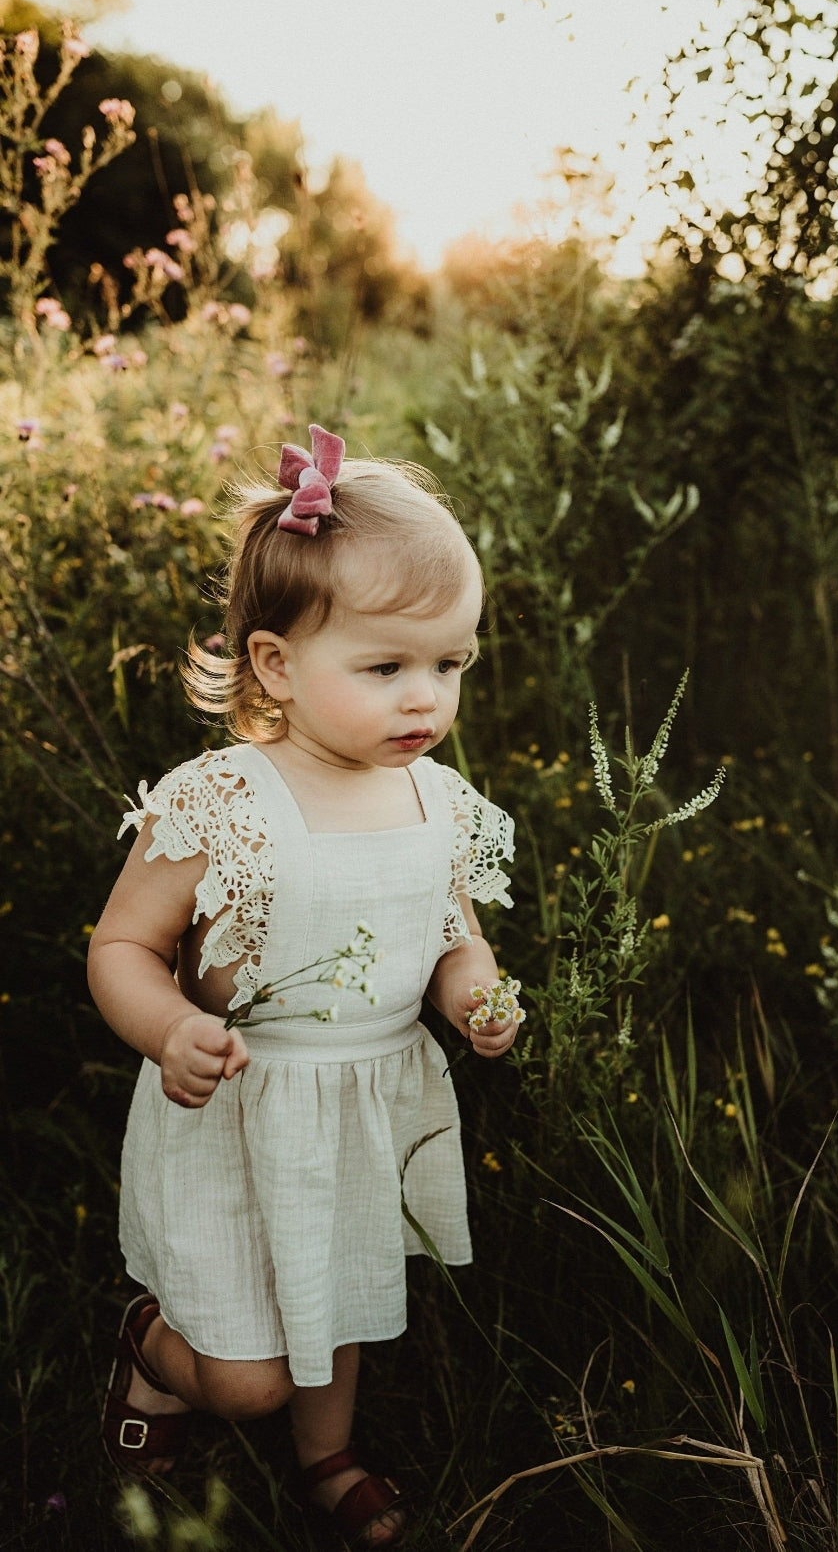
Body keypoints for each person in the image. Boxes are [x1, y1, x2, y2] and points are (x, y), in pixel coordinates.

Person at [88, 424, 522, 1547]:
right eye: (386, 667)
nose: (425, 697)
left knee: (347, 1298)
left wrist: (475, 994)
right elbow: (121, 948)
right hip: (237, 1104)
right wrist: (171, 1027)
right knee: (250, 1377)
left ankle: (329, 1455)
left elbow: (448, 933)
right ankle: (154, 1346)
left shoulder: (435, 799)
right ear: (278, 664)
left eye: (450, 664)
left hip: (363, 1105)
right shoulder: (225, 800)